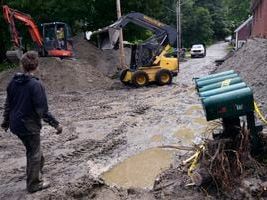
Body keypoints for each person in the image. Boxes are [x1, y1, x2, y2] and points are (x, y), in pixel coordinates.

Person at [1, 51, 63, 193]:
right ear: (37, 66)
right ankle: (33, 184)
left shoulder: (13, 82)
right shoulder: (36, 85)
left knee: (34, 150)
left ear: (21, 65)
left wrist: (5, 122)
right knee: (34, 153)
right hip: (28, 126)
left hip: (16, 124)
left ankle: (36, 174)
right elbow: (43, 111)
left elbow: (8, 104)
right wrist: (57, 125)